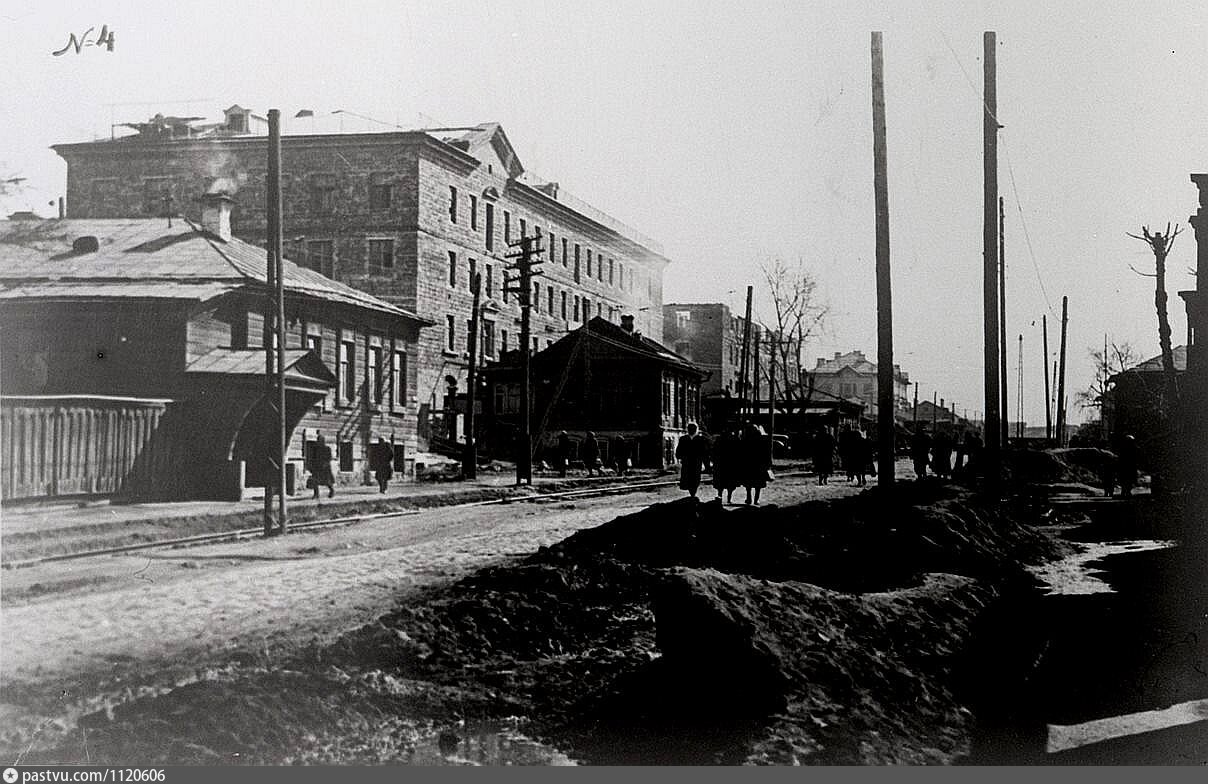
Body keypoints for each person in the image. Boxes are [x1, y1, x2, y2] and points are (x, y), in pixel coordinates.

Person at [741, 422, 772, 505]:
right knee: (756, 484)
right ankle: (755, 499)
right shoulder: (761, 440)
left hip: (752, 464)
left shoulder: (747, 440)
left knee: (749, 484)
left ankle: (749, 498)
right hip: (757, 465)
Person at [676, 422, 709, 498]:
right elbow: (679, 450)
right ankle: (692, 494)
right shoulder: (683, 439)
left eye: (693, 429)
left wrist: (707, 465)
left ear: (696, 430)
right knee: (688, 479)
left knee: (695, 479)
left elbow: (704, 453)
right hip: (687, 463)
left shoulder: (700, 439)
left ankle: (693, 494)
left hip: (696, 463)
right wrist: (680, 457)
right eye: (690, 429)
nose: (691, 430)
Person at [711, 428, 741, 503]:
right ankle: (728, 498)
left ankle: (720, 496)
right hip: (730, 465)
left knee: (721, 483)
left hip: (721, 464)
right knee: (729, 484)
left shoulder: (719, 440)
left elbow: (714, 452)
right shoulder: (734, 440)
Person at [308, 433, 335, 499]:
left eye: (320, 440)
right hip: (317, 467)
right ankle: (316, 494)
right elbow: (312, 458)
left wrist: (325, 464)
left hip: (325, 468)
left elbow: (329, 458)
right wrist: (311, 466)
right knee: (315, 481)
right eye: (318, 440)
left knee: (327, 481)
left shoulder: (327, 448)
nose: (319, 441)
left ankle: (332, 491)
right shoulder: (315, 449)